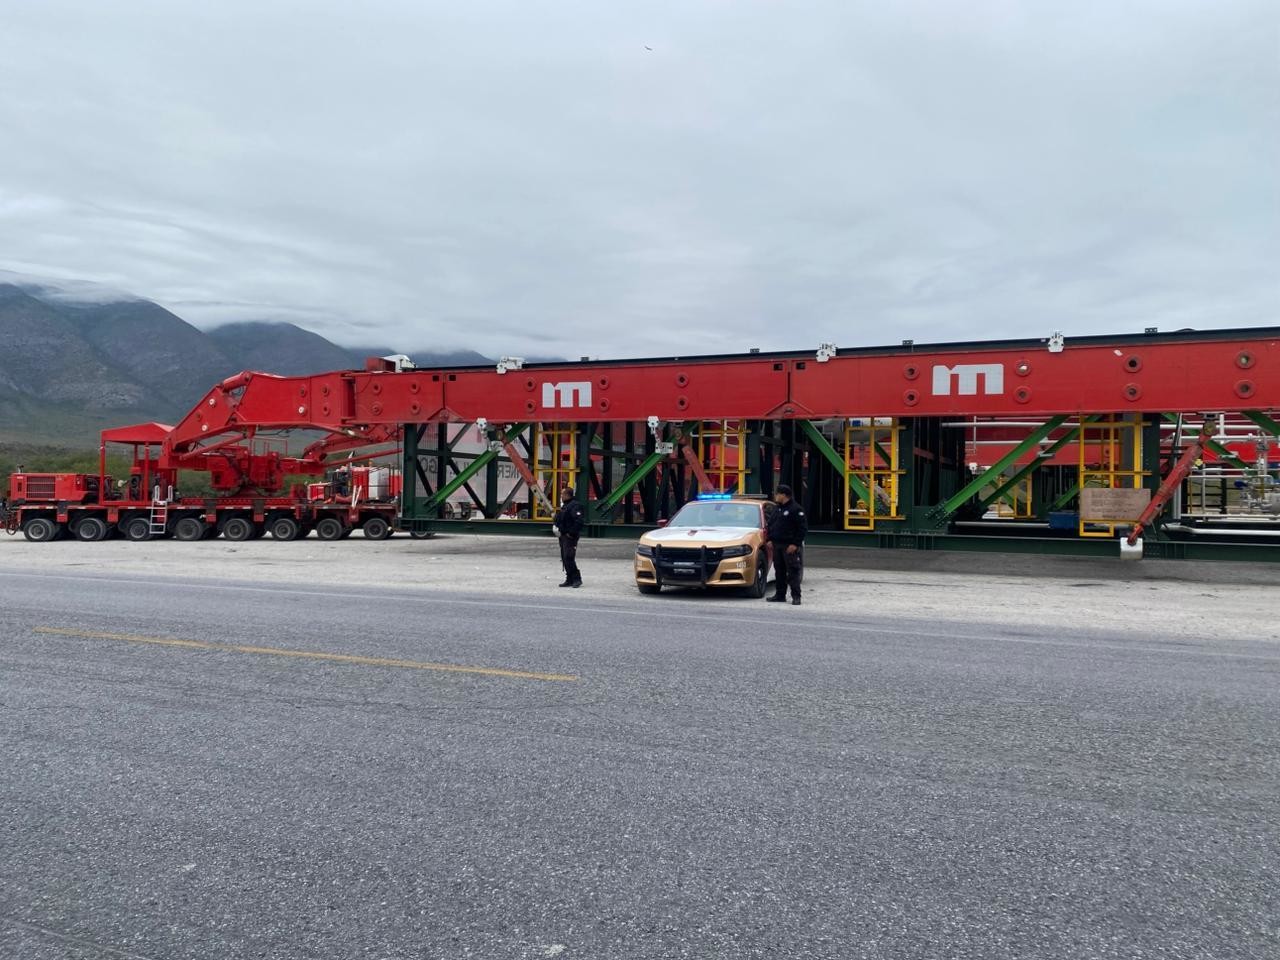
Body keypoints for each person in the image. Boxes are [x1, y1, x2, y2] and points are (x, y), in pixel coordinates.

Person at [766, 483, 807, 605]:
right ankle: (780, 595)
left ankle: (796, 596)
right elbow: (771, 524)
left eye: (777, 494)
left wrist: (795, 544)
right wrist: (769, 539)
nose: (775, 496)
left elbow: (802, 528)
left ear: (784, 495)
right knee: (779, 571)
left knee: (793, 571)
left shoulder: (796, 509)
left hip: (789, 546)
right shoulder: (777, 508)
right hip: (777, 545)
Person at [553, 485, 585, 588]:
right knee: (564, 557)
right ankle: (569, 579)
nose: (561, 496)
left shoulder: (575, 506)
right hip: (563, 536)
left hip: (570, 537)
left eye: (562, 494)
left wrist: (571, 533)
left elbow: (579, 521)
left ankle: (576, 579)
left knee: (569, 557)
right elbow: (562, 520)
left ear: (568, 495)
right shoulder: (565, 506)